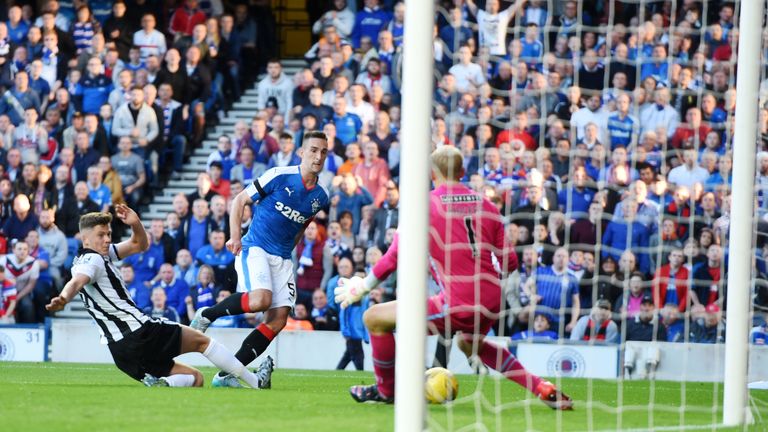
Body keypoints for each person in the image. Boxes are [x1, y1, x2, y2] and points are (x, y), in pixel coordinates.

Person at [333, 146, 572, 409]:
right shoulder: (488, 205)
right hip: (491, 300)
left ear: (432, 174)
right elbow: (510, 263)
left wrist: (363, 287)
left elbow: (393, 258)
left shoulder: (423, 206)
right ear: (462, 172)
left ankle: (386, 390)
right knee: (469, 344)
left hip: (458, 300)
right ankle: (541, 386)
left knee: (374, 318)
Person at [45, 206, 273, 388]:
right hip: (140, 333)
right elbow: (77, 282)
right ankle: (255, 383)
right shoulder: (92, 261)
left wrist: (135, 224)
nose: (107, 239)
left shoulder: (100, 256)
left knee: (195, 379)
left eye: (109, 234)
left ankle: (163, 384)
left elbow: (139, 244)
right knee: (203, 341)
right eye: (101, 235)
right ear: (85, 239)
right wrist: (64, 298)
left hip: (122, 353)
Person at [190, 131, 331, 387]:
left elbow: (302, 224)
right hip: (255, 247)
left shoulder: (321, 196)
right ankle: (207, 314)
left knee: (277, 321)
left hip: (282, 258)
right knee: (260, 300)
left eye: (323, 151)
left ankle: (226, 375)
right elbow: (240, 200)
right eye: (313, 150)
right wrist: (234, 237)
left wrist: (290, 251)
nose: (318, 156)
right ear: (301, 152)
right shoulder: (279, 175)